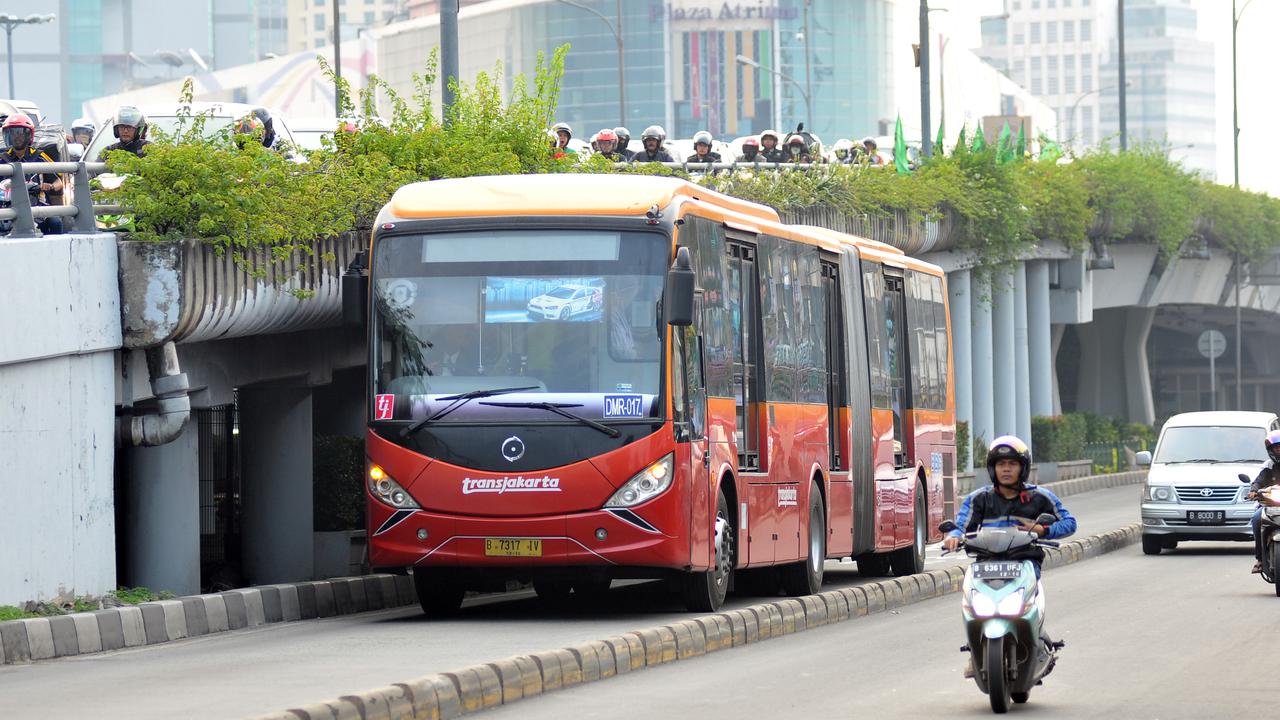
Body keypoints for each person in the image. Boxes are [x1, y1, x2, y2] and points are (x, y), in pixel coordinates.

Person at [945, 435, 1076, 678]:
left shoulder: (1040, 497)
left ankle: (1036, 635)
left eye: (1012, 464)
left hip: (1025, 562)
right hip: (986, 564)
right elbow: (961, 525)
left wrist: (1043, 530)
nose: (1006, 469)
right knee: (972, 602)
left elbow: (1069, 523)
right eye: (1001, 464)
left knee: (1027, 602)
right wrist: (953, 536)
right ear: (992, 468)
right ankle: (975, 650)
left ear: (1022, 468)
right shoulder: (979, 498)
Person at [0, 114, 64, 235]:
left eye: (20, 133)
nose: (17, 136)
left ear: (29, 135)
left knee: (55, 222)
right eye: (13, 133)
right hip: (6, 206)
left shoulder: (39, 157)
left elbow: (58, 182)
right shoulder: (2, 158)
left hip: (36, 205)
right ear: (7, 135)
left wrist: (49, 186)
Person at [1246, 430, 1280, 573]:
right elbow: (1258, 481)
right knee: (1256, 518)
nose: (1279, 450)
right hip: (1269, 505)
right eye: (1276, 447)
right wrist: (1254, 491)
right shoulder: (1268, 466)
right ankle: (1260, 559)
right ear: (1270, 449)